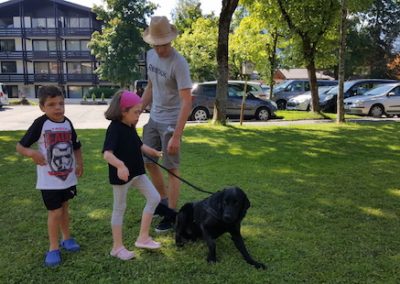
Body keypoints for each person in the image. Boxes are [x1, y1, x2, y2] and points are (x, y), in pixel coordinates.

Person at [16, 85, 83, 267]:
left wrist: (79, 163)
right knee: (55, 212)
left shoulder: (67, 122)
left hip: (67, 178)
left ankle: (67, 238)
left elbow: (76, 145)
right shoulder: (41, 123)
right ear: (42, 107)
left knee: (65, 208)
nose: (58, 108)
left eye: (61, 103)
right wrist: (32, 154)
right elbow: (20, 146)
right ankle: (53, 247)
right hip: (49, 180)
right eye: (52, 104)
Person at [141, 16, 193, 233]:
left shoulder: (178, 63)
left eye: (163, 44)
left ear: (171, 41)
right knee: (148, 161)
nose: (160, 49)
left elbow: (187, 101)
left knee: (172, 169)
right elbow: (151, 86)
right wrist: (137, 110)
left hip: (171, 121)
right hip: (154, 118)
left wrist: (176, 135)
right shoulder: (150, 56)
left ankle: (171, 214)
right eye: (156, 44)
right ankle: (162, 200)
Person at [103, 90, 163, 261]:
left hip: (137, 172)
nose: (138, 116)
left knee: (154, 198)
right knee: (119, 208)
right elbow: (107, 154)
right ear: (123, 111)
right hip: (122, 177)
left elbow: (139, 145)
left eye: (140, 112)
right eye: (136, 112)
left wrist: (154, 152)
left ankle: (143, 238)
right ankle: (117, 247)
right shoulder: (114, 129)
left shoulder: (130, 126)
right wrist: (120, 165)